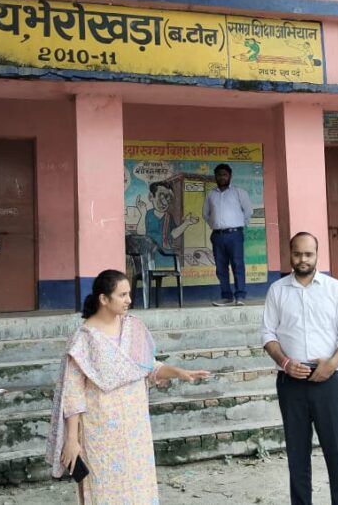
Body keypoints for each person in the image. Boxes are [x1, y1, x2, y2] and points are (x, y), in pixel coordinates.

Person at [46, 269, 210, 504]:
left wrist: (178, 372)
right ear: (104, 299)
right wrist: (72, 439)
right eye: (122, 295)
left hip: (135, 428)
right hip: (101, 430)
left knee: (139, 488)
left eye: (129, 294)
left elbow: (147, 367)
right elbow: (73, 394)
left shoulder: (133, 328)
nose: (129, 300)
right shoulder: (83, 340)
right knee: (105, 490)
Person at [260, 232, 338, 505]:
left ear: (317, 254)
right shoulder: (277, 290)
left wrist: (331, 365)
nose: (302, 259)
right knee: (297, 459)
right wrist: (285, 363)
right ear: (289, 254)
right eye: (297, 254)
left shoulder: (335, 289)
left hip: (329, 382)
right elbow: (268, 334)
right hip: (291, 383)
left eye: (308, 254)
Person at [202, 163, 253, 306]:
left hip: (235, 235)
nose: (222, 177)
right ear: (215, 177)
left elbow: (248, 211)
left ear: (230, 176)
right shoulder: (211, 195)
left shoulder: (239, 192)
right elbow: (205, 214)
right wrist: (216, 225)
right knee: (221, 268)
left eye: (224, 175)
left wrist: (237, 224)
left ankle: (240, 296)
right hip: (217, 236)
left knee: (237, 265)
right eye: (219, 175)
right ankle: (226, 297)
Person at [136, 180, 199, 267]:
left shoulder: (169, 217)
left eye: (167, 198)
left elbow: (173, 234)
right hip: (150, 254)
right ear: (151, 197)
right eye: (161, 197)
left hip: (166, 254)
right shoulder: (148, 214)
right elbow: (140, 232)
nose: (164, 202)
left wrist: (186, 223)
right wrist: (143, 213)